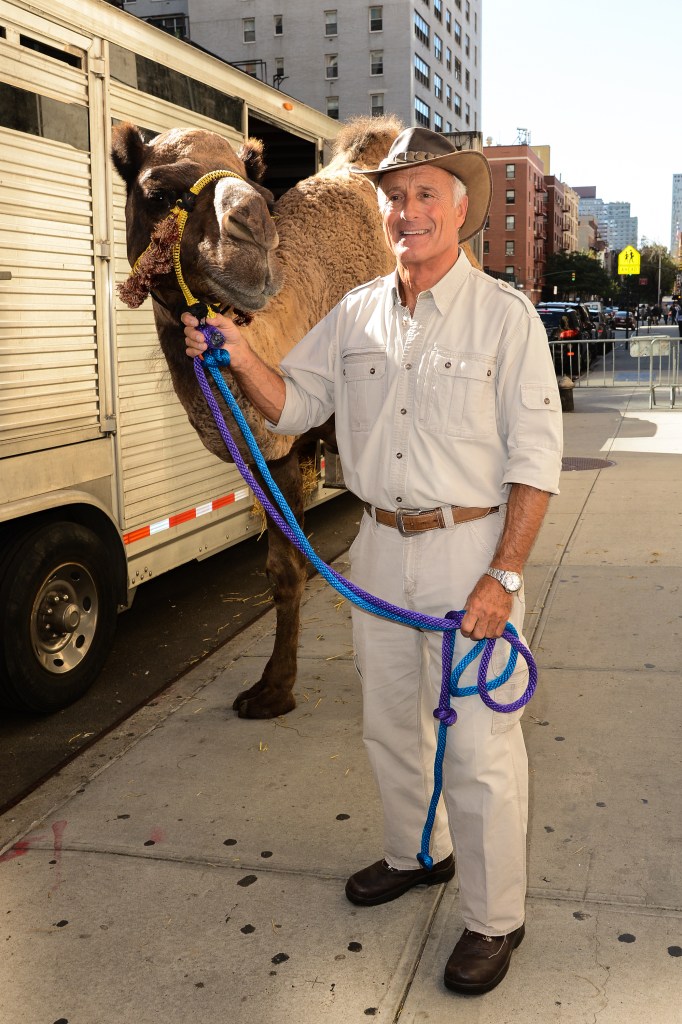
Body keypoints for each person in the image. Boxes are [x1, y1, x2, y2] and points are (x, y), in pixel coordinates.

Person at [182, 127, 563, 996]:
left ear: (460, 211)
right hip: (380, 549)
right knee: (391, 724)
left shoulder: (506, 319)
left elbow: (535, 463)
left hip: (471, 550)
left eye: (428, 194)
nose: (409, 211)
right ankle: (417, 854)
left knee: (478, 749)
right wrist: (241, 354)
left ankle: (495, 917)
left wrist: (502, 577)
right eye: (396, 196)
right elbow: (294, 400)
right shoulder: (353, 313)